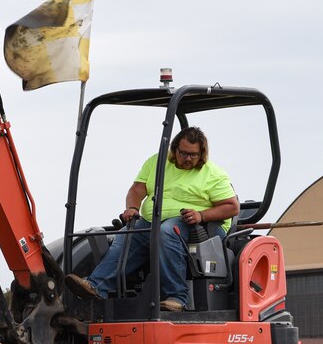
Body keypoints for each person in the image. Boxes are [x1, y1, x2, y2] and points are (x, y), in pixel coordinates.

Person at [66, 126, 239, 311]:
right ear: (174, 149)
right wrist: (132, 208)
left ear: (202, 154)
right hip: (153, 221)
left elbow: (232, 206)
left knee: (167, 231)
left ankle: (178, 297)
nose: (188, 158)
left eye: (193, 155)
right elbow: (137, 189)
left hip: (200, 226)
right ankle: (96, 286)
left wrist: (201, 215)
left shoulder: (212, 174)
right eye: (183, 153)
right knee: (128, 233)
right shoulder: (157, 162)